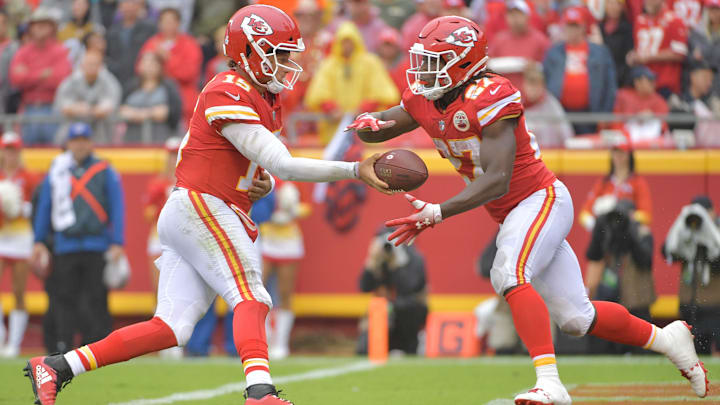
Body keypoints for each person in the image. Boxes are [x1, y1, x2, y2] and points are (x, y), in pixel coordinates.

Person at [24, 6, 390, 405]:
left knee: (172, 327)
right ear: (248, 50)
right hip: (202, 206)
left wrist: (255, 183)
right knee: (252, 294)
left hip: (200, 206)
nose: (288, 63)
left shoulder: (259, 95)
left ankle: (58, 367)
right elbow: (282, 162)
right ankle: (260, 393)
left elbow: (213, 154)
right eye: (279, 53)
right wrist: (355, 168)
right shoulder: (228, 88)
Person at [348, 15, 709, 404]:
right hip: (515, 213)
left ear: (465, 63)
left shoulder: (490, 95)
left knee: (507, 272)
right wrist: (367, 123)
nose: (423, 70)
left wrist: (437, 211)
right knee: (576, 318)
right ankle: (668, 338)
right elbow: (387, 123)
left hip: (540, 199)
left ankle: (550, 384)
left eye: (435, 61)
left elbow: (498, 178)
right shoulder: (425, 97)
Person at [30, 122, 125, 357]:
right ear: (69, 144)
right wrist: (39, 239)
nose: (80, 145)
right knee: (64, 299)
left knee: (96, 298)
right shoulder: (59, 170)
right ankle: (63, 347)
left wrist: (117, 242)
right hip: (66, 245)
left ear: (91, 143)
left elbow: (117, 206)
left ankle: (97, 350)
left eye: (84, 140)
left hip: (96, 244)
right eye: (76, 140)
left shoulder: (104, 170)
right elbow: (45, 206)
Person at [305, 21, 399, 144]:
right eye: (343, 41)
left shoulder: (370, 62)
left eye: (350, 41)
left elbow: (384, 92)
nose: (347, 45)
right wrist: (331, 108)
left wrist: (364, 110)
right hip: (335, 131)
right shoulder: (328, 65)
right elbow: (317, 93)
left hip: (367, 129)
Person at [584, 199, 656, 354]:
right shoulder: (610, 231)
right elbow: (593, 255)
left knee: (640, 343)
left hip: (637, 298)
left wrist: (630, 233)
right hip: (613, 296)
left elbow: (645, 261)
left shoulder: (643, 232)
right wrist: (600, 228)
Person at [543, 6, 617, 135]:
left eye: (575, 26)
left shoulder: (600, 52)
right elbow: (544, 80)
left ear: (583, 27)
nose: (572, 30)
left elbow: (610, 86)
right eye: (569, 25)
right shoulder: (554, 52)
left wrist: (605, 114)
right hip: (560, 113)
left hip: (590, 113)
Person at [663, 195, 720, 355]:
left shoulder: (717, 231)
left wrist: (708, 236)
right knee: (694, 352)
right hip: (690, 302)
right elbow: (668, 251)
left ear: (713, 212)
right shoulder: (685, 229)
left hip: (715, 305)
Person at [357, 228, 428, 355]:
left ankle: (411, 347)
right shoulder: (378, 259)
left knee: (405, 309)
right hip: (382, 312)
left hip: (408, 312)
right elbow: (364, 287)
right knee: (364, 349)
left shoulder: (414, 258)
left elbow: (410, 288)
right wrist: (371, 262)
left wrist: (397, 265)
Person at [9, 6, 72, 145]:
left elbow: (60, 79)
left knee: (53, 151)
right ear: (30, 28)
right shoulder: (23, 51)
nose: (39, 28)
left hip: (53, 108)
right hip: (28, 109)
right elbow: (16, 79)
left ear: (52, 28)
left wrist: (29, 74)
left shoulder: (60, 51)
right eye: (36, 25)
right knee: (28, 153)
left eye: (44, 24)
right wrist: (42, 74)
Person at [261, 180, 307, 359]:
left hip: (289, 241)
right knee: (258, 290)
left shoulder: (295, 177)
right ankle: (264, 338)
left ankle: (280, 344)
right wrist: (267, 214)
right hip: (265, 238)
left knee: (285, 292)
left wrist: (293, 211)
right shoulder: (263, 176)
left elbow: (308, 207)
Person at [0, 132, 36, 357]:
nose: (11, 154)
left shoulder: (29, 177)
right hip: (1, 237)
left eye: (14, 149)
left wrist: (20, 208)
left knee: (19, 291)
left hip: (21, 238)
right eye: (7, 149)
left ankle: (13, 344)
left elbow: (36, 205)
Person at [138, 7, 202, 125]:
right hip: (153, 99)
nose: (168, 25)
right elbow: (140, 69)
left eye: (171, 21)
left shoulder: (189, 44)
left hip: (184, 99)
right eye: (164, 21)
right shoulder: (152, 43)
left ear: (178, 23)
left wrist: (168, 59)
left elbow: (189, 72)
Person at [578, 133, 652, 232]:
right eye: (615, 152)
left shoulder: (637, 182)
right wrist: (596, 225)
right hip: (605, 235)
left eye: (621, 152)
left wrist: (624, 216)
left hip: (628, 234)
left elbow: (646, 215)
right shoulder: (604, 182)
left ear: (629, 155)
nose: (618, 156)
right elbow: (584, 213)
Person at [53, 50, 122, 142]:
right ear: (82, 65)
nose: (92, 67)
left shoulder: (109, 81)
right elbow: (63, 105)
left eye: (95, 64)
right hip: (73, 130)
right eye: (89, 64)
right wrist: (79, 109)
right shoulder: (72, 80)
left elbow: (110, 106)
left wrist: (88, 109)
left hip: (102, 132)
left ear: (101, 66)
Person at [627, 0, 688, 98]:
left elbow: (679, 53)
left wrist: (650, 57)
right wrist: (633, 56)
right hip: (641, 85)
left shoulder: (675, 20)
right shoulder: (640, 20)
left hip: (664, 85)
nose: (647, 2)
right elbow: (639, 49)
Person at [119, 51, 182, 144]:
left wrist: (137, 114)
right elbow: (121, 110)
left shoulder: (168, 87)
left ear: (160, 66)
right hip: (132, 141)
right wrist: (150, 113)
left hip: (162, 139)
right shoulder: (131, 86)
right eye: (145, 63)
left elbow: (173, 112)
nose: (148, 67)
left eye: (152, 63)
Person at [487, 0, 550, 91]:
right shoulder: (500, 39)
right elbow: (489, 63)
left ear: (527, 16)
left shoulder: (540, 40)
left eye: (518, 14)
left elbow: (550, 68)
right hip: (504, 95)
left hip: (530, 98)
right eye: (511, 14)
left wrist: (535, 68)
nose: (515, 18)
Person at [105, 0, 156, 94]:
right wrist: (115, 68)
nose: (129, 7)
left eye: (132, 3)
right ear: (119, 7)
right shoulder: (112, 32)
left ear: (139, 7)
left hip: (141, 78)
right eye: (125, 3)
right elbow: (107, 56)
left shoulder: (149, 28)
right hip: (118, 80)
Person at [522, 63, 574, 149]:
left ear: (543, 86)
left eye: (537, 86)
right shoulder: (518, 104)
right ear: (524, 86)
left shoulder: (552, 104)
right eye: (530, 86)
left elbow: (566, 134)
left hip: (550, 153)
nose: (533, 90)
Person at [612, 66, 669, 142]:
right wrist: (636, 118)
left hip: (652, 145)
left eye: (653, 80)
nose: (653, 83)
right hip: (626, 141)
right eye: (649, 80)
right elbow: (615, 122)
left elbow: (664, 128)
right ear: (637, 82)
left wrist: (653, 117)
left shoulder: (659, 100)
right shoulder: (623, 96)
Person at [601, 0, 635, 87]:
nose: (614, 7)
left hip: (619, 77)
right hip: (601, 74)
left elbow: (628, 58)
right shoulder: (599, 27)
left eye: (617, 4)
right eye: (610, 3)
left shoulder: (627, 29)